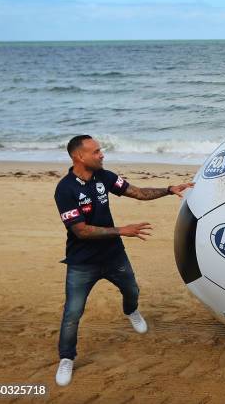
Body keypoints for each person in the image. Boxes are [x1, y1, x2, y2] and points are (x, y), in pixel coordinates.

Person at [53, 135, 194, 386]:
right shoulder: (65, 189)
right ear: (79, 157)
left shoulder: (104, 176)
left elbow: (138, 192)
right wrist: (122, 230)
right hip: (82, 262)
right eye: (96, 152)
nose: (101, 155)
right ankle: (66, 358)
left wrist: (168, 189)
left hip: (113, 255)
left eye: (100, 150)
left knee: (132, 290)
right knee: (73, 313)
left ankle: (130, 311)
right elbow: (81, 231)